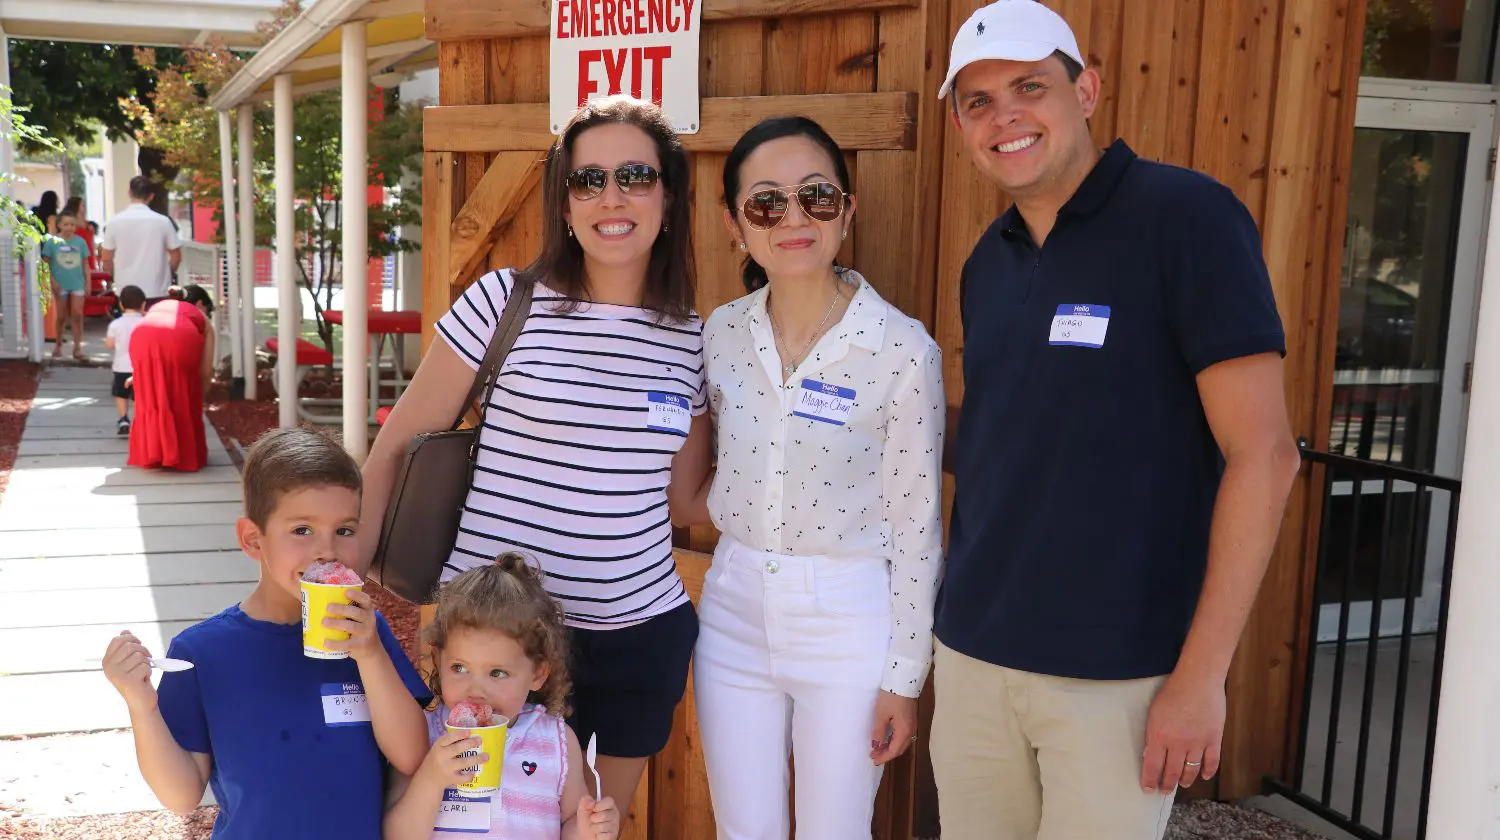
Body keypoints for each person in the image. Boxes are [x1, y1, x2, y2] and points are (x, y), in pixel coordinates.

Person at [929, 3, 1303, 838]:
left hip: (1116, 677)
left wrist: (1200, 677)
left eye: (1030, 86)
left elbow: (1266, 455)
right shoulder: (988, 262)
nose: (1005, 117)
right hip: (975, 657)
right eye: (978, 101)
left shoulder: (1187, 220)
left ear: (1087, 89)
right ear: (960, 124)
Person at [361, 94, 710, 816]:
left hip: (634, 638)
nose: (611, 197)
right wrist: (343, 587)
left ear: (669, 197)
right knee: (467, 823)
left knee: (590, 829)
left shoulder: (695, 339)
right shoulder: (503, 302)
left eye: (636, 176)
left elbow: (687, 499)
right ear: (564, 203)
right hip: (488, 642)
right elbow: (397, 442)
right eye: (588, 180)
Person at [669, 117, 944, 840]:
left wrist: (903, 677)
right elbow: (695, 468)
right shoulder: (719, 334)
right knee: (743, 831)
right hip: (732, 609)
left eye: (816, 197)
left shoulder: (902, 350)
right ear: (736, 225)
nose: (793, 217)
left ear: (846, 211)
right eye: (767, 203)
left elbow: (917, 527)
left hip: (849, 615)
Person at [100, 427, 432, 838]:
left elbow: (412, 756)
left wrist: (370, 656)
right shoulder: (201, 652)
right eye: (302, 530)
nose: (327, 550)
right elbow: (181, 795)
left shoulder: (366, 633)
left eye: (344, 530)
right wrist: (142, 707)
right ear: (253, 539)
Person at [384, 556, 621, 839]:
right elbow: (396, 834)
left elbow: (570, 823)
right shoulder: (421, 736)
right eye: (459, 668)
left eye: (497, 673)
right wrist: (432, 777)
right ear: (437, 659)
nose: (476, 689)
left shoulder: (555, 741)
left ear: (537, 674)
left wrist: (589, 828)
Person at [128, 284, 217, 472]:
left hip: (141, 334)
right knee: (182, 390)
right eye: (208, 311)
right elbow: (206, 372)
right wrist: (200, 394)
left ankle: (153, 454)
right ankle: (182, 455)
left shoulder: (157, 307)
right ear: (200, 305)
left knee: (152, 394)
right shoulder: (201, 319)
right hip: (180, 338)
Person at [99, 176, 182, 305]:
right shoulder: (163, 222)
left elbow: (106, 258)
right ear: (151, 196)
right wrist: (167, 274)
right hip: (156, 288)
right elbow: (176, 256)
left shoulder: (115, 222)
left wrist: (115, 277)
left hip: (125, 288)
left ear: (130, 193)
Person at [41, 213, 92, 361]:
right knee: (62, 316)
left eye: (72, 224)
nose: (69, 227)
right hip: (60, 283)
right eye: (66, 224)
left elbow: (86, 264)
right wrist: (52, 281)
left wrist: (88, 282)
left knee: (77, 314)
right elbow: (45, 264)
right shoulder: (52, 242)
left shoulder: (80, 242)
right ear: (59, 225)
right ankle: (58, 343)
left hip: (77, 283)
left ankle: (77, 348)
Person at [105, 284, 147, 435]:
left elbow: (109, 344)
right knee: (138, 397)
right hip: (140, 367)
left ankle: (123, 419)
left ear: (121, 304)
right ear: (143, 304)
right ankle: (137, 421)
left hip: (120, 367)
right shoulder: (145, 322)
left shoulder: (115, 324)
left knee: (121, 394)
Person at [61, 196, 98, 273]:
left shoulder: (86, 223)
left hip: (88, 256)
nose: (84, 208)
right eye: (82, 205)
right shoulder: (71, 224)